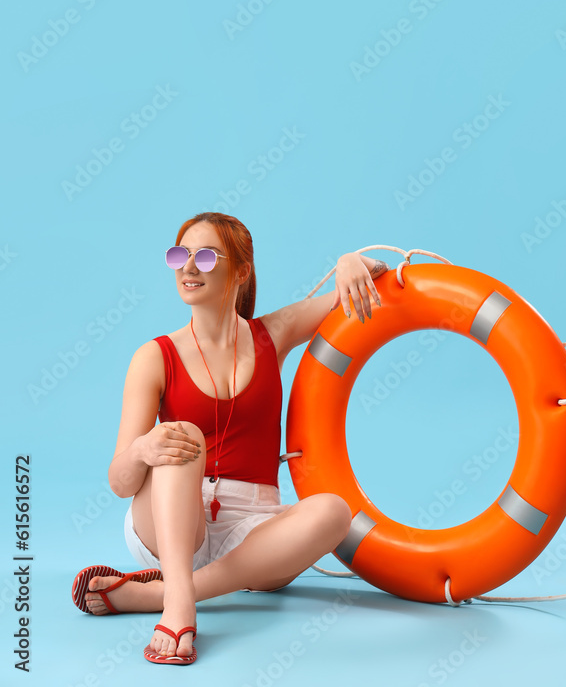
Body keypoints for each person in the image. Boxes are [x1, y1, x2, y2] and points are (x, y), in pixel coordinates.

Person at [71, 211, 387, 664]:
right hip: (171, 521)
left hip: (255, 531)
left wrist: (348, 260)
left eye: (203, 255)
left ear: (241, 271)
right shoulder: (154, 356)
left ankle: (156, 594)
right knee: (185, 436)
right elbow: (120, 482)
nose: (187, 267)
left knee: (334, 512)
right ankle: (179, 604)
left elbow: (365, 280)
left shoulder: (272, 334)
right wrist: (144, 448)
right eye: (179, 255)